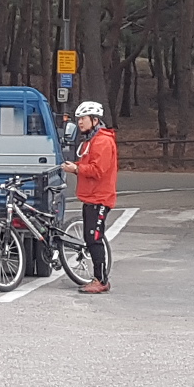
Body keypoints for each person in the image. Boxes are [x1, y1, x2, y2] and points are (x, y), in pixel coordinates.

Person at [59, 100, 118, 294]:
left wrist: (76, 169)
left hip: (99, 197)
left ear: (94, 120)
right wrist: (75, 166)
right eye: (78, 119)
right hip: (91, 197)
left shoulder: (102, 141)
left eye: (83, 119)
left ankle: (101, 280)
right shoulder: (90, 140)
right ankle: (98, 278)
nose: (79, 122)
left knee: (94, 238)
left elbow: (98, 170)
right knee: (90, 237)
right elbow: (88, 164)